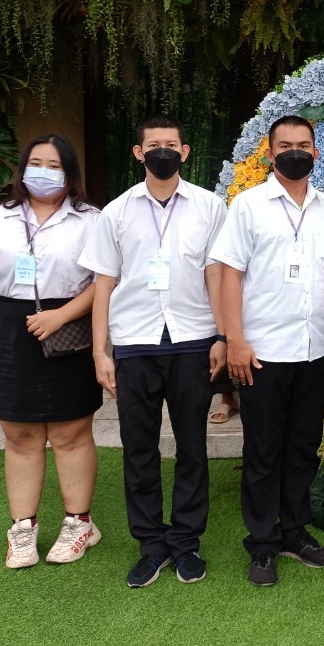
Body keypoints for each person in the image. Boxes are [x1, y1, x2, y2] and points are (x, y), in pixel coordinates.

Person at [80, 115, 228, 588]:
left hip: (193, 341)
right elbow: (104, 284)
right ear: (138, 153)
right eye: (153, 145)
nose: (162, 151)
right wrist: (100, 351)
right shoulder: (116, 212)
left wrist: (222, 336)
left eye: (171, 144)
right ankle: (151, 544)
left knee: (192, 447)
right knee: (139, 448)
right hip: (134, 344)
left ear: (185, 152)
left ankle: (186, 541)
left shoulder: (210, 207)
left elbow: (217, 275)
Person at [0, 134, 103, 569]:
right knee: (20, 435)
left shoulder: (91, 220)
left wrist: (62, 315)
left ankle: (79, 523)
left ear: (70, 173)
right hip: (9, 330)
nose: (43, 172)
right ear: (22, 170)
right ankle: (23, 528)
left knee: (71, 432)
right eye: (36, 163)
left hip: (68, 327)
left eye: (54, 165)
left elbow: (106, 280)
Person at [211, 115, 324, 587]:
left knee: (302, 447)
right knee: (263, 450)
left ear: (316, 151)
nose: (295, 152)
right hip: (261, 351)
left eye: (303, 144)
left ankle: (295, 531)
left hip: (314, 349)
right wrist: (234, 339)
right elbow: (230, 275)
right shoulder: (248, 206)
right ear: (270, 154)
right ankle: (263, 542)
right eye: (285, 145)